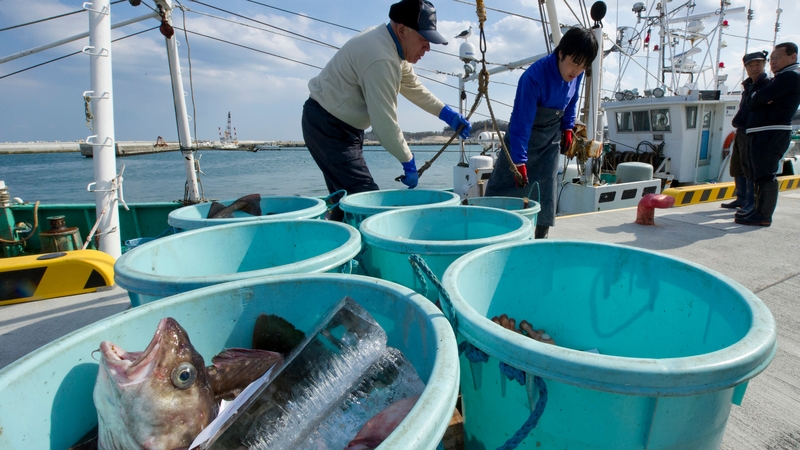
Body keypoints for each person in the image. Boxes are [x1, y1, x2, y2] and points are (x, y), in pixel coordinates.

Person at [301, 0, 471, 221]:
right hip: (329, 127)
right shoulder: (382, 57)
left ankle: (337, 239)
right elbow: (384, 123)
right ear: (402, 30)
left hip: (335, 125)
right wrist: (407, 160)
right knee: (366, 201)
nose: (428, 47)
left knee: (343, 201)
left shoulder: (390, 44)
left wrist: (446, 114)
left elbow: (412, 86)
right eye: (423, 39)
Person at [485, 27, 598, 239]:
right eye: (574, 63)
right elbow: (521, 123)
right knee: (504, 190)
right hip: (522, 141)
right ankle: (494, 234)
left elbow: (572, 101)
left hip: (551, 141)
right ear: (561, 53)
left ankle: (540, 239)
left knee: (546, 193)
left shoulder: (577, 73)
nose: (577, 70)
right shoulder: (533, 77)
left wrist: (567, 126)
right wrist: (518, 162)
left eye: (583, 66)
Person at [736, 42, 800, 226]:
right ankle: (757, 211)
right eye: (771, 59)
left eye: (777, 58)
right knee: (758, 173)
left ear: (792, 57)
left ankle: (763, 215)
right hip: (763, 131)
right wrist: (760, 98)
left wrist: (760, 97)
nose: (773, 62)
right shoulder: (780, 78)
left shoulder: (790, 76)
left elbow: (758, 98)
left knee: (765, 175)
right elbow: (757, 99)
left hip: (771, 132)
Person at [722, 51, 769, 215]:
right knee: (737, 165)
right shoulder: (748, 86)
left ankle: (751, 201)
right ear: (746, 68)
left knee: (750, 167)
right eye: (750, 65)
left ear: (764, 64)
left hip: (753, 131)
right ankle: (741, 197)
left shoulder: (767, 84)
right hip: (742, 130)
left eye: (758, 64)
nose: (754, 68)